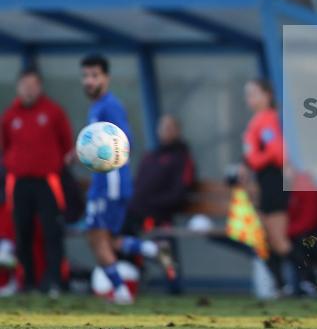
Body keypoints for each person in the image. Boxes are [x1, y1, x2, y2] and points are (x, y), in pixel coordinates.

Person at [80, 55, 176, 305]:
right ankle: (153, 250)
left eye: (94, 75)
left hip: (108, 184)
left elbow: (124, 142)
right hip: (107, 183)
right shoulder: (97, 106)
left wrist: (103, 154)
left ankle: (122, 294)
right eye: (85, 76)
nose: (89, 81)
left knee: (95, 237)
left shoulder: (110, 106)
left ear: (106, 77)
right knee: (108, 239)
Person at [0, 67, 73, 298]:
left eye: (33, 85)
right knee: (22, 232)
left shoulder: (53, 112)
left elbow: (67, 146)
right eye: (25, 85)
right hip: (19, 182)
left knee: (52, 231)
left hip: (47, 181)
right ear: (18, 87)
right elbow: (4, 147)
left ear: (40, 87)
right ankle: (27, 282)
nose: (29, 90)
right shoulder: (10, 115)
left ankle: (54, 282)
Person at [242, 78, 305, 296]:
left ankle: (313, 280)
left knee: (278, 241)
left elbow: (276, 152)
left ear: (267, 96)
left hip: (273, 182)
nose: (249, 98)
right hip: (264, 183)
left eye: (254, 93)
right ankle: (281, 285)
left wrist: (254, 159)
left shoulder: (268, 120)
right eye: (248, 94)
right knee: (264, 239)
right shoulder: (258, 120)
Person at [126, 114, 195, 293]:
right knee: (117, 231)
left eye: (170, 127)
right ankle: (134, 273)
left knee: (164, 248)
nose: (165, 131)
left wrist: (155, 203)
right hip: (137, 212)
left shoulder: (181, 157)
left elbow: (181, 192)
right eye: (163, 127)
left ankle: (173, 285)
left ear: (177, 131)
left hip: (161, 213)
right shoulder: (151, 155)